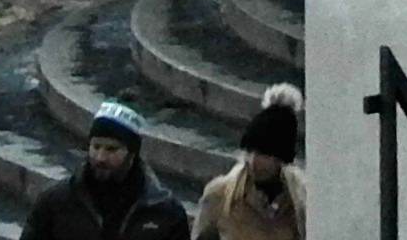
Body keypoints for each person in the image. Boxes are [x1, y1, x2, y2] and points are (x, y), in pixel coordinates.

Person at [24, 107, 183, 240]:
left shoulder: (165, 211)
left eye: (111, 149)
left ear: (132, 153)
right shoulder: (55, 202)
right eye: (96, 146)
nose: (100, 157)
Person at [191, 86, 305, 240]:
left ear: (281, 158)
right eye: (250, 151)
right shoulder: (220, 196)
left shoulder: (299, 203)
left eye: (264, 153)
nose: (253, 161)